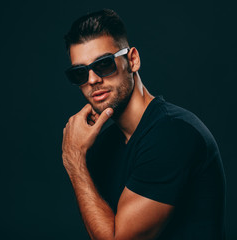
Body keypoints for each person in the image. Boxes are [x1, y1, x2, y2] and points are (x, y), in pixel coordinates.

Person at [62, 9, 226, 240]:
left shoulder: (173, 133)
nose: (92, 80)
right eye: (80, 73)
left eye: (104, 64)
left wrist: (74, 159)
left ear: (132, 60)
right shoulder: (103, 147)